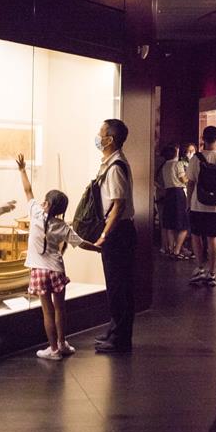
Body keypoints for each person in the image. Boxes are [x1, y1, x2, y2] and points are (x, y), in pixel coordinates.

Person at [15, 154, 99, 361]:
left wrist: (22, 170)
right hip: (57, 270)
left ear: (45, 204)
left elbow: (27, 190)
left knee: (47, 312)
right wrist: (98, 248)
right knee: (61, 309)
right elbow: (82, 243)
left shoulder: (35, 213)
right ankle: (63, 343)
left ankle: (52, 350)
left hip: (39, 271)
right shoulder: (62, 227)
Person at [92, 118, 136, 354]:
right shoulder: (111, 163)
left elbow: (118, 205)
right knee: (116, 285)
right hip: (119, 232)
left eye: (101, 133)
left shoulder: (115, 166)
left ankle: (120, 339)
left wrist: (105, 234)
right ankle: (114, 331)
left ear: (109, 139)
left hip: (119, 233)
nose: (97, 137)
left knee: (119, 287)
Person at [187, 126, 216, 287]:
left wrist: (188, 203)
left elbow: (190, 183)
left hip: (197, 205)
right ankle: (212, 273)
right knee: (213, 238)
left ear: (203, 139)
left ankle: (200, 268)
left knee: (196, 236)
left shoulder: (196, 159)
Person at [159, 144, 190, 258]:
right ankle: (177, 250)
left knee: (170, 224)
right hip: (178, 194)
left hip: (168, 194)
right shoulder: (178, 164)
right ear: (175, 153)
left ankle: (171, 249)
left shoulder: (164, 165)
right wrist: (190, 179)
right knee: (184, 225)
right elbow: (183, 179)